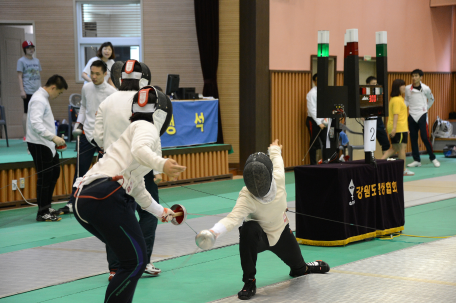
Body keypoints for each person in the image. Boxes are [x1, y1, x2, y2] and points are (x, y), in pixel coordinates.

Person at [72, 86, 185, 302]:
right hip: (106, 196)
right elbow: (140, 151)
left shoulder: (131, 130)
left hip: (83, 199)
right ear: (161, 113)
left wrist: (162, 212)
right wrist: (162, 164)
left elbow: (137, 187)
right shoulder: (146, 127)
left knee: (129, 260)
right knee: (134, 261)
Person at [195, 139, 330, 300]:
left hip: (281, 233)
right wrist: (213, 232)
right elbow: (233, 218)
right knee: (248, 229)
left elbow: (277, 159)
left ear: (268, 174)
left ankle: (306, 267)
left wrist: (274, 148)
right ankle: (249, 281)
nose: (257, 185)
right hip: (260, 238)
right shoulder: (246, 196)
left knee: (299, 271)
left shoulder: (278, 177)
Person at [93, 60, 163, 280]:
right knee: (149, 214)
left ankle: (116, 268)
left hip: (111, 170)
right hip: (141, 168)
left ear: (120, 78)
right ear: (143, 79)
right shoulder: (146, 103)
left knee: (114, 219)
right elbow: (153, 133)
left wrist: (110, 150)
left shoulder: (106, 102)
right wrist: (158, 165)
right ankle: (143, 261)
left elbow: (97, 137)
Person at [58, 60, 117, 214]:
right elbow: (84, 107)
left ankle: (104, 202)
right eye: (92, 73)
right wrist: (78, 124)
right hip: (87, 135)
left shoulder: (112, 93)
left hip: (104, 137)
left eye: (97, 73)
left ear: (105, 74)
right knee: (80, 170)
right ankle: (73, 201)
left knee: (105, 171)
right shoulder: (86, 88)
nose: (94, 76)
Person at [26, 75, 68, 222]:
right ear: (53, 88)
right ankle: (42, 212)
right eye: (59, 93)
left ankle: (47, 206)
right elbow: (35, 123)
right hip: (39, 144)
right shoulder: (38, 99)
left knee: (54, 172)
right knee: (44, 177)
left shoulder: (43, 98)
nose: (58, 96)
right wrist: (53, 137)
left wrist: (53, 140)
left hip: (47, 144)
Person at [405, 69, 440, 168]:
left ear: (421, 77)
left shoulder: (425, 88)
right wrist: (402, 108)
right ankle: (417, 160)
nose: (414, 78)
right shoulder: (408, 88)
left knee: (424, 137)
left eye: (416, 76)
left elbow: (431, 99)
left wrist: (426, 108)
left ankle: (433, 158)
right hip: (411, 115)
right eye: (413, 76)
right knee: (413, 138)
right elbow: (406, 101)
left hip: (422, 114)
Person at [381, 79, 414, 176]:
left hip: (401, 127)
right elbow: (396, 115)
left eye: (404, 85)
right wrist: (395, 129)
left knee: (394, 148)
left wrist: (406, 128)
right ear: (397, 87)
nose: (404, 87)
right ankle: (403, 170)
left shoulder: (399, 98)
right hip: (398, 128)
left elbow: (402, 115)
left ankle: (378, 163)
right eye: (401, 85)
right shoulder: (396, 100)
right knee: (401, 148)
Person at [17, 41, 42, 141]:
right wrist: (22, 90)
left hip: (37, 90)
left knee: (38, 111)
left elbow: (39, 75)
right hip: (28, 90)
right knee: (27, 112)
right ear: (24, 50)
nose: (31, 49)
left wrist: (41, 89)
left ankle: (37, 134)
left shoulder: (37, 61)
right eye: (28, 48)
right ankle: (26, 135)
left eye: (32, 47)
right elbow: (19, 76)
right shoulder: (21, 61)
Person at [306, 74, 328, 164]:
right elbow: (312, 109)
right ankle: (313, 164)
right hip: (313, 121)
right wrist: (319, 122)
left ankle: (326, 161)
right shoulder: (312, 93)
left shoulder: (325, 92)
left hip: (324, 120)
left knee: (326, 142)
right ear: (314, 82)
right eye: (318, 80)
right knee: (314, 143)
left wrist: (327, 120)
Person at [365, 76, 390, 153]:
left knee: (386, 143)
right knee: (369, 145)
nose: (375, 85)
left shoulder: (379, 94)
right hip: (369, 121)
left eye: (376, 83)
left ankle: (384, 160)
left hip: (378, 121)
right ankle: (370, 160)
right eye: (373, 83)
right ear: (368, 84)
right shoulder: (363, 95)